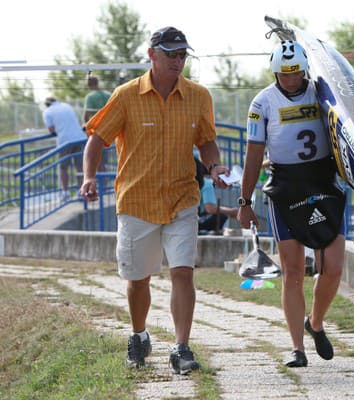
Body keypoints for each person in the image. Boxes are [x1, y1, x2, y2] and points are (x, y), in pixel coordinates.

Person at [79, 26, 229, 375]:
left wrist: (214, 164)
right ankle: (139, 335)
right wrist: (89, 177)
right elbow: (97, 139)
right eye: (171, 54)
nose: (178, 61)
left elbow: (206, 140)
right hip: (137, 200)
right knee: (138, 279)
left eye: (182, 55)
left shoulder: (198, 96)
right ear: (152, 55)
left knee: (182, 272)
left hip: (181, 197)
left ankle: (181, 347)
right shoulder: (126, 95)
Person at [238, 40, 346, 368]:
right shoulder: (262, 103)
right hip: (286, 188)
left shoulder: (322, 91)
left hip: (324, 182)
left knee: (333, 268)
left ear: (305, 69)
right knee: (293, 272)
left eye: (296, 73)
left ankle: (315, 322)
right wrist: (245, 200)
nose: (291, 80)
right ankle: (297, 348)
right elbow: (254, 154)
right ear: (274, 72)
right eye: (284, 74)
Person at [43, 97, 87, 201]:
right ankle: (81, 191)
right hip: (80, 138)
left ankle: (65, 193)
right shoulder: (66, 106)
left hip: (65, 141)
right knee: (79, 166)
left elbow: (51, 130)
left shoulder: (47, 112)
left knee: (63, 168)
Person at [195, 158, 238, 233]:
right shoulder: (207, 183)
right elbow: (210, 209)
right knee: (222, 216)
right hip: (198, 220)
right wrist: (232, 212)